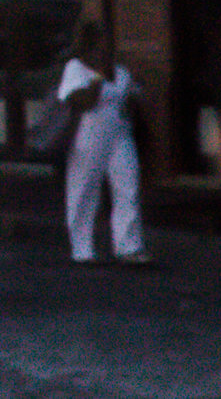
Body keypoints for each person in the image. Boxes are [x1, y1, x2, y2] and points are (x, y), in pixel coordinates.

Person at [59, 20, 150, 265]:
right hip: (88, 138)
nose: (107, 49)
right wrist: (99, 77)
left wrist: (134, 95)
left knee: (128, 185)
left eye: (108, 44)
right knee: (84, 191)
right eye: (101, 44)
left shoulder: (120, 72)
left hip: (119, 136)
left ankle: (129, 246)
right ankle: (82, 249)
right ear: (89, 46)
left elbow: (131, 101)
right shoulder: (75, 69)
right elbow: (83, 102)